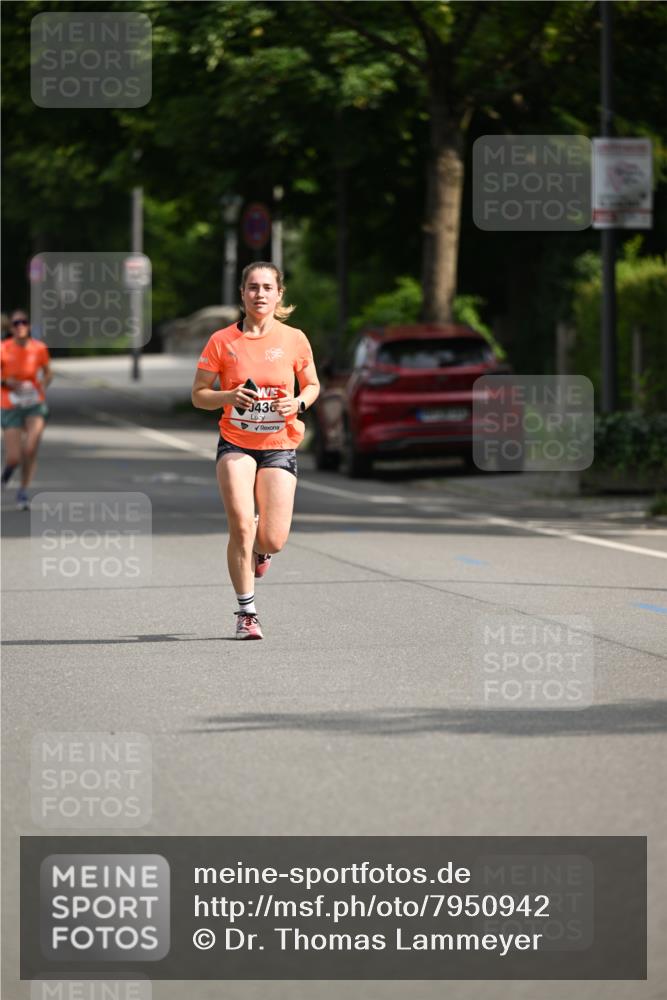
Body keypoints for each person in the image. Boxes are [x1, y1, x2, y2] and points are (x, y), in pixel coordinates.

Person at [191, 262, 320, 639]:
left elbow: (312, 384)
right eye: (252, 287)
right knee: (241, 526)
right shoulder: (221, 341)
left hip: (280, 444)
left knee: (273, 539)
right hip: (236, 442)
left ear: (279, 294)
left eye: (267, 287)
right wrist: (228, 396)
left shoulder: (294, 339)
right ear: (242, 293)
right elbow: (198, 395)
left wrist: (298, 404)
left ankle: (262, 550)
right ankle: (246, 612)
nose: (259, 294)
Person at [1, 310, 52, 510]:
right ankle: (6, 475)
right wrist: (6, 381)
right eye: (16, 323)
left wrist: (42, 383)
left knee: (30, 449)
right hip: (9, 404)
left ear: (29, 326)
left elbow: (48, 373)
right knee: (14, 456)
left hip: (33, 403)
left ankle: (23, 491)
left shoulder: (39, 349)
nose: (20, 326)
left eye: (24, 322)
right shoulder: (3, 349)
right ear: (11, 328)